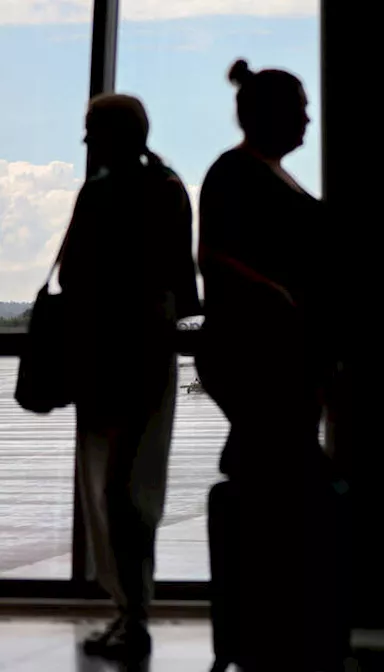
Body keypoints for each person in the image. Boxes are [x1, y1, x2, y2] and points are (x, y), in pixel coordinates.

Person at [197, 59, 348, 670]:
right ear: (273, 115)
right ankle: (282, 630)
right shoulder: (242, 176)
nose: (310, 117)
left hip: (275, 358)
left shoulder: (250, 174)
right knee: (292, 487)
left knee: (275, 483)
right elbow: (215, 259)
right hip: (265, 359)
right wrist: (282, 302)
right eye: (301, 107)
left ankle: (262, 632)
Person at [58, 93, 199, 661]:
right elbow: (183, 284)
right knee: (136, 486)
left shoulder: (100, 194)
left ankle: (128, 607)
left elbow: (72, 275)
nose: (86, 143)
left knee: (106, 487)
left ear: (110, 136)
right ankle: (134, 606)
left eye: (91, 131)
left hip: (103, 364)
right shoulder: (167, 190)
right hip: (149, 359)